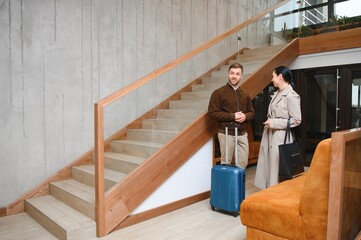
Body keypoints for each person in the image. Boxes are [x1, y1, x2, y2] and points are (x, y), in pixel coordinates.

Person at [254, 66, 302, 189]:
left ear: (280, 77)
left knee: (277, 169)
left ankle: (275, 195)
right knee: (269, 167)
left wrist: (274, 123)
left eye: (273, 76)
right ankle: (268, 194)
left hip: (281, 138)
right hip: (270, 135)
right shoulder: (277, 94)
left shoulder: (291, 96)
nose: (272, 79)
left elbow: (297, 120)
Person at [208, 63, 255, 169]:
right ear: (228, 74)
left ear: (241, 76)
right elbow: (212, 112)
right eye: (232, 73)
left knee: (242, 164)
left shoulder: (245, 94)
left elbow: (251, 113)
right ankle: (227, 186)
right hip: (226, 134)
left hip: (242, 134)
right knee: (226, 164)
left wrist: (245, 116)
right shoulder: (218, 93)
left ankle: (238, 186)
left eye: (237, 74)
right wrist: (232, 116)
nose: (234, 76)